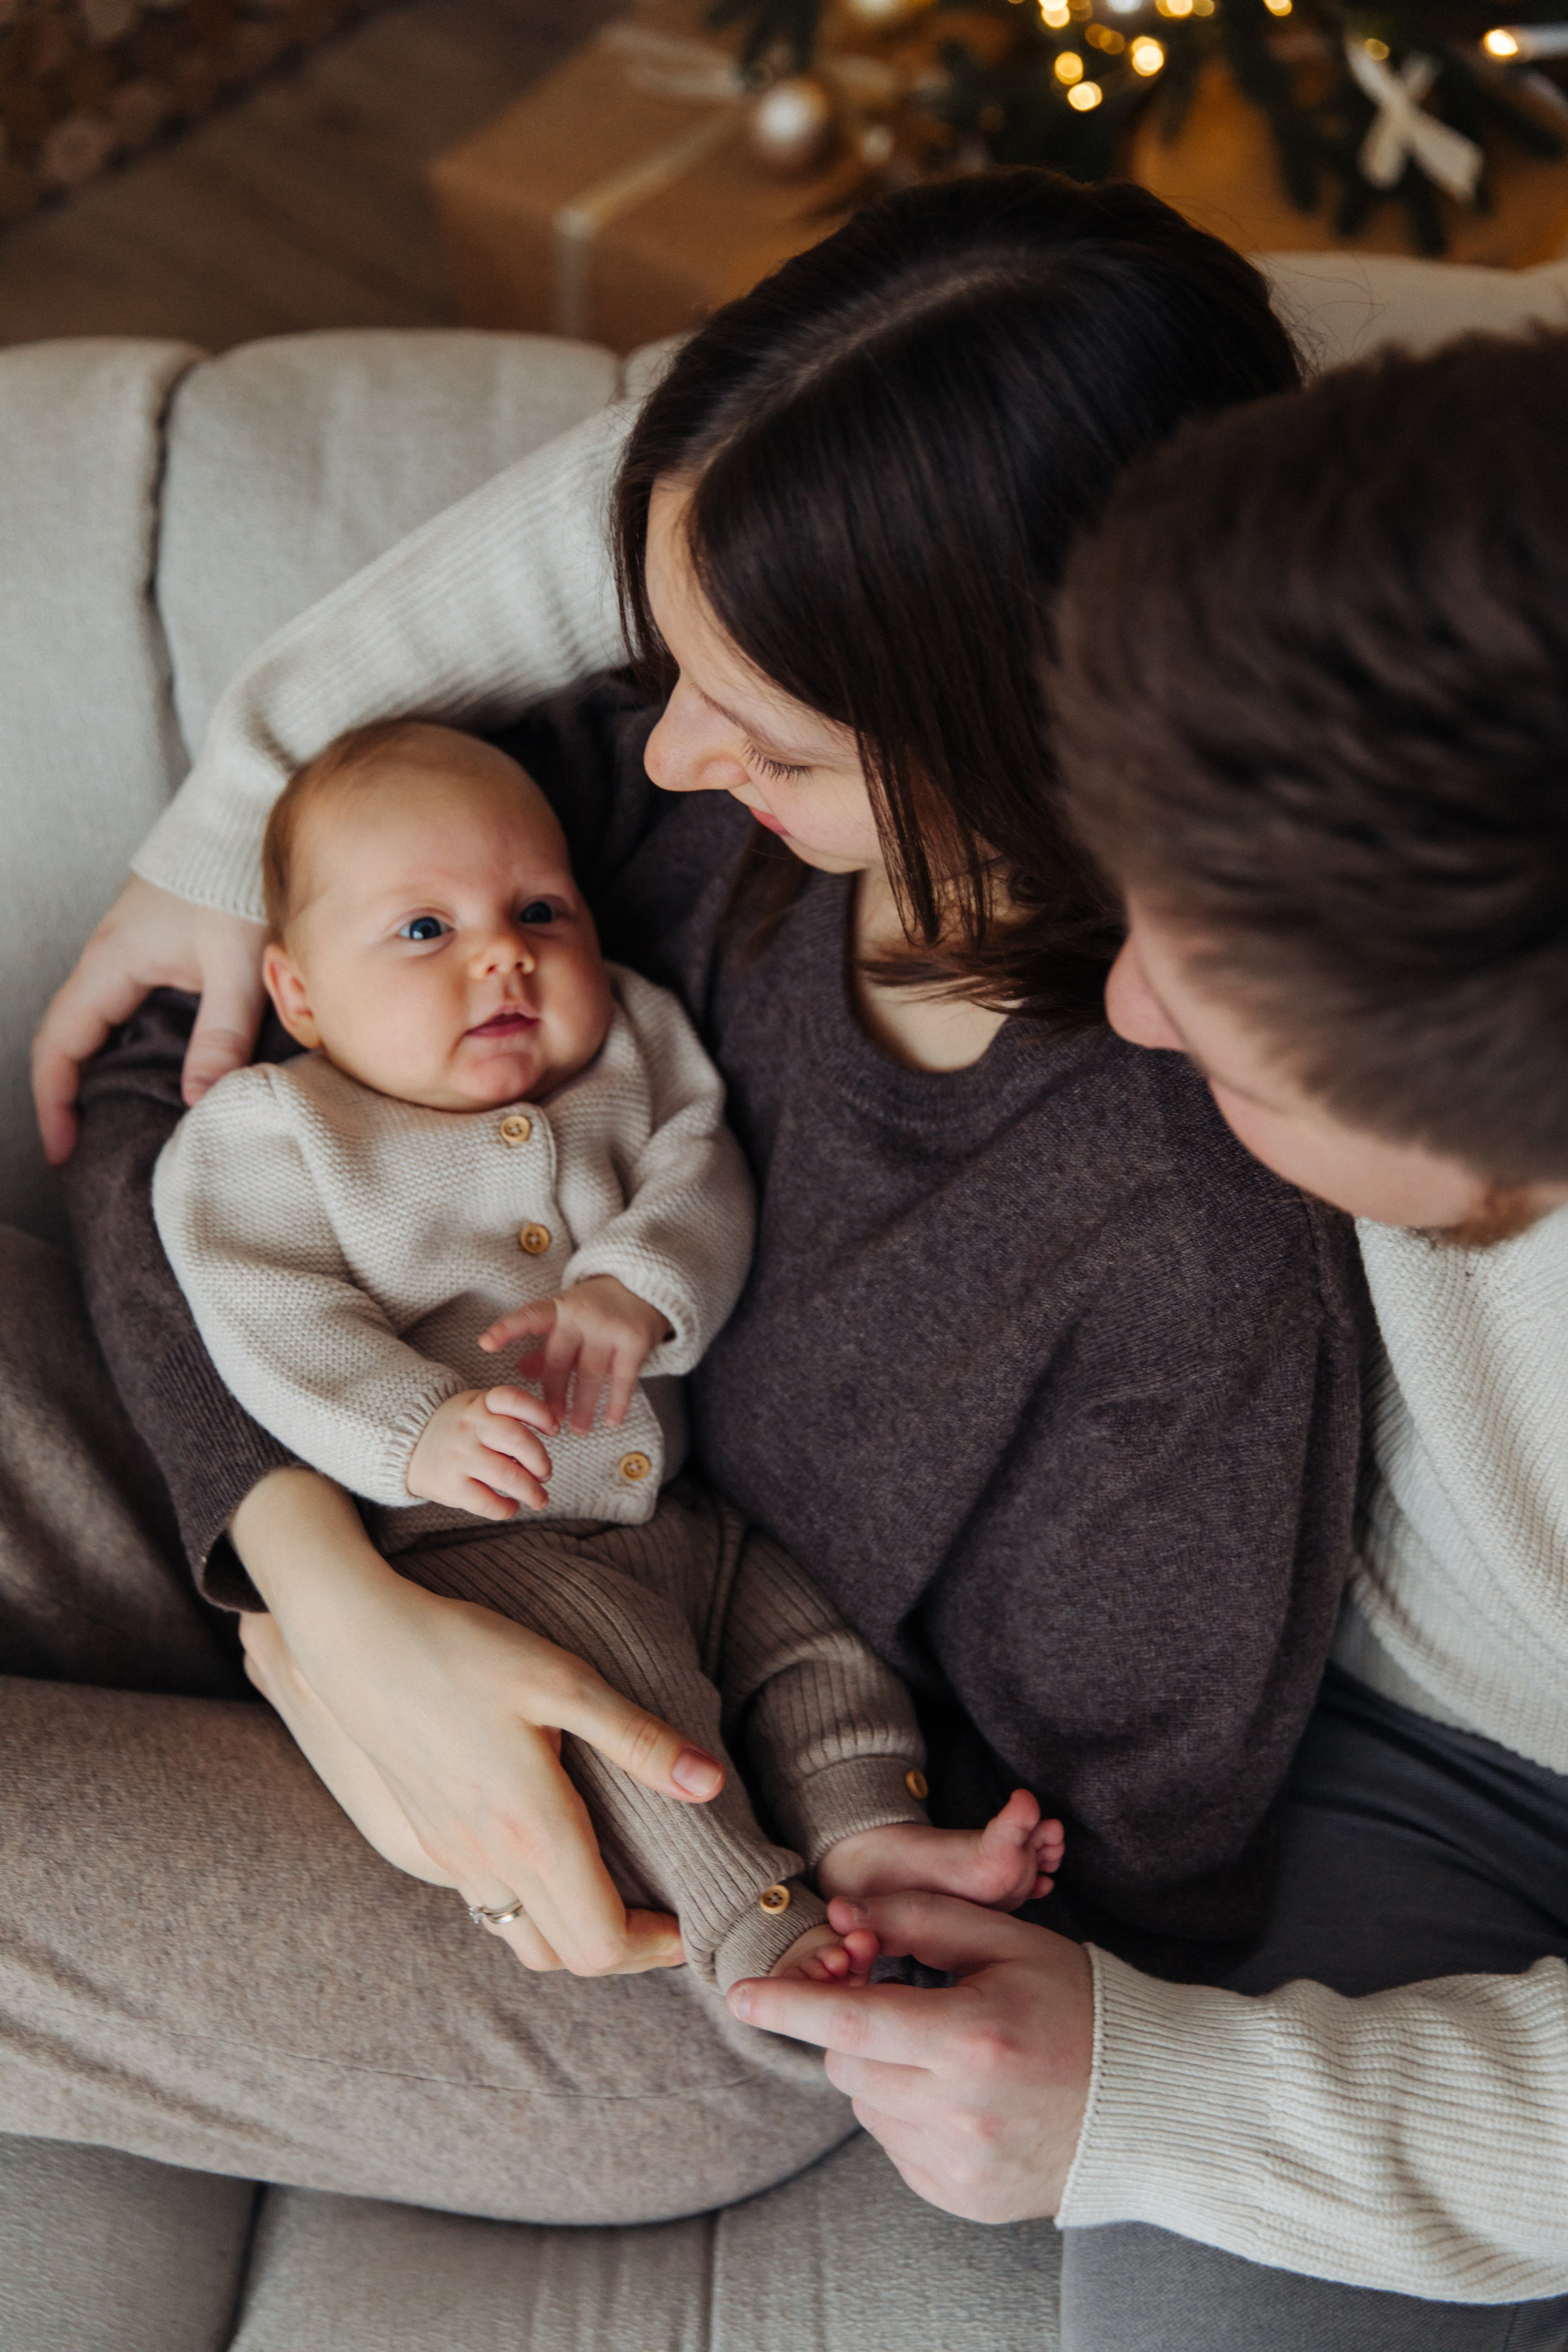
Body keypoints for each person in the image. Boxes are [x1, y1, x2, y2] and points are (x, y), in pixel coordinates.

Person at [2, 168, 1363, 2230]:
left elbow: (1113, 1875)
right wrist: (319, 1596)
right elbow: (162, 1081)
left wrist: (899, 1857)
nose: (688, 748)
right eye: (673, 663)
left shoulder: (1180, 1239)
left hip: (661, 1898)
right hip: (324, 1499)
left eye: (784, 738)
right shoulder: (661, 810)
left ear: (1029, 748)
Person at [732, 332, 1568, 2350]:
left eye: (1241, 1056)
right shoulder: (1442, 509)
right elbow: (857, 385)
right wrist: (257, 795)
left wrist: (1163, 2098)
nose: (1122, 1025)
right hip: (1444, 1749)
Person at [155, 714, 1063, 1991]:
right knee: (630, 1696)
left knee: (816, 1650)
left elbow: (702, 1173)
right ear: (296, 992)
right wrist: (415, 1425)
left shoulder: (630, 1044)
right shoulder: (277, 1130)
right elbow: (266, 1320)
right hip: (479, 1547)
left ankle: (872, 1834)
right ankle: (752, 1920)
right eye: (423, 931)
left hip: (681, 1521)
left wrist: (637, 1285)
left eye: (538, 911)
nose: (500, 963)